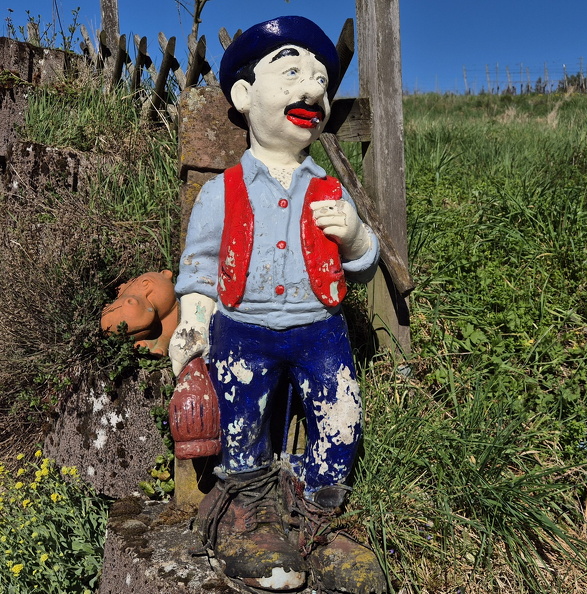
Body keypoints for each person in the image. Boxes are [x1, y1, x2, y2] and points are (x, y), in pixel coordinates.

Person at [169, 15, 385, 593]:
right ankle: (248, 514)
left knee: (339, 416)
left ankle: (320, 517)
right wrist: (192, 328)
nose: (311, 88)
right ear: (244, 95)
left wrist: (357, 238)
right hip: (244, 330)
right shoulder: (222, 192)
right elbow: (198, 269)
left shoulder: (328, 189)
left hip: (321, 330)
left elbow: (363, 268)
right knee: (242, 418)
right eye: (291, 71)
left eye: (320, 79)